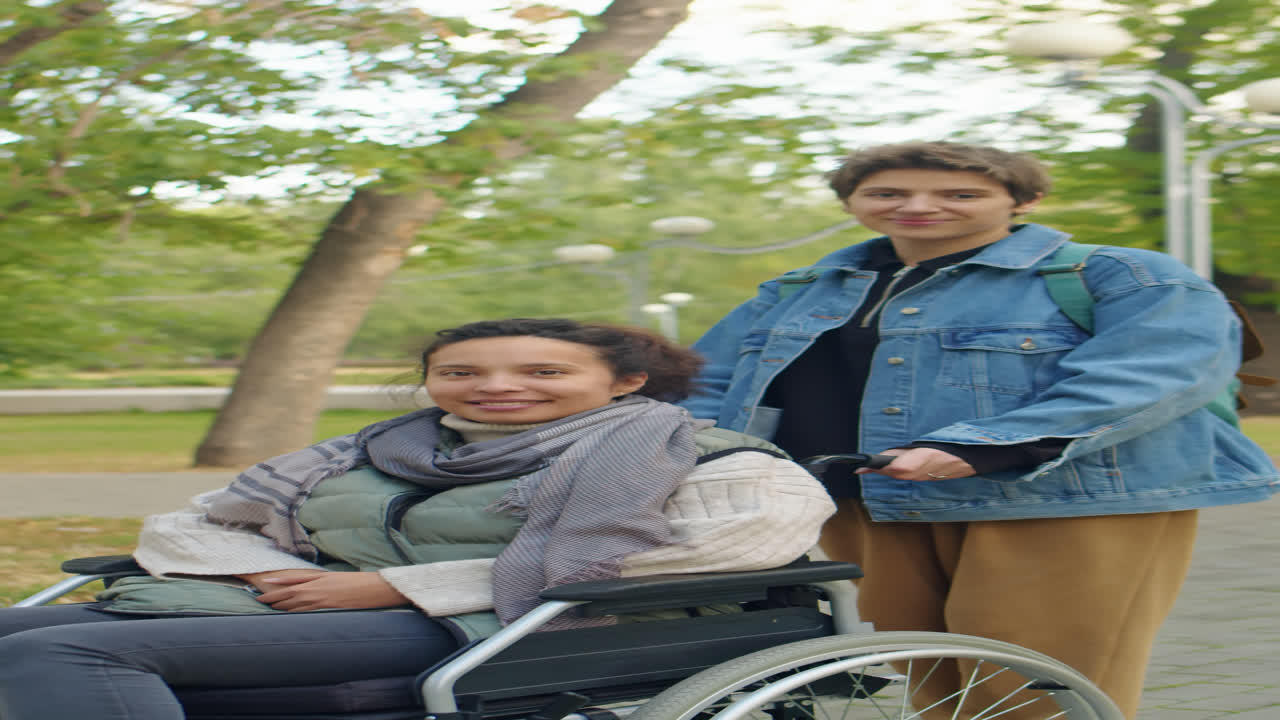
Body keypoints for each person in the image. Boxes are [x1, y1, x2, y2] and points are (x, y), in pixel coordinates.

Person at [679, 141, 1279, 719]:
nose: (918, 206)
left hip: (1055, 501)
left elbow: (1155, 374)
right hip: (870, 501)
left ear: (1025, 200)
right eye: (887, 193)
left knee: (1030, 688)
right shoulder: (802, 289)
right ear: (850, 202)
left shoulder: (1123, 274)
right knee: (932, 680)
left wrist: (978, 447)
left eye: (960, 193)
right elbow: (706, 380)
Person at [0, 318, 836, 720]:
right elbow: (200, 521)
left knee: (71, 650)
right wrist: (261, 570)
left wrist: (403, 587)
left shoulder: (706, 456)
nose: (496, 387)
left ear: (625, 383)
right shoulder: (370, 451)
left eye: (544, 372)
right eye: (460, 372)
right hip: (306, 605)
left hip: (526, 627)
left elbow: (731, 548)